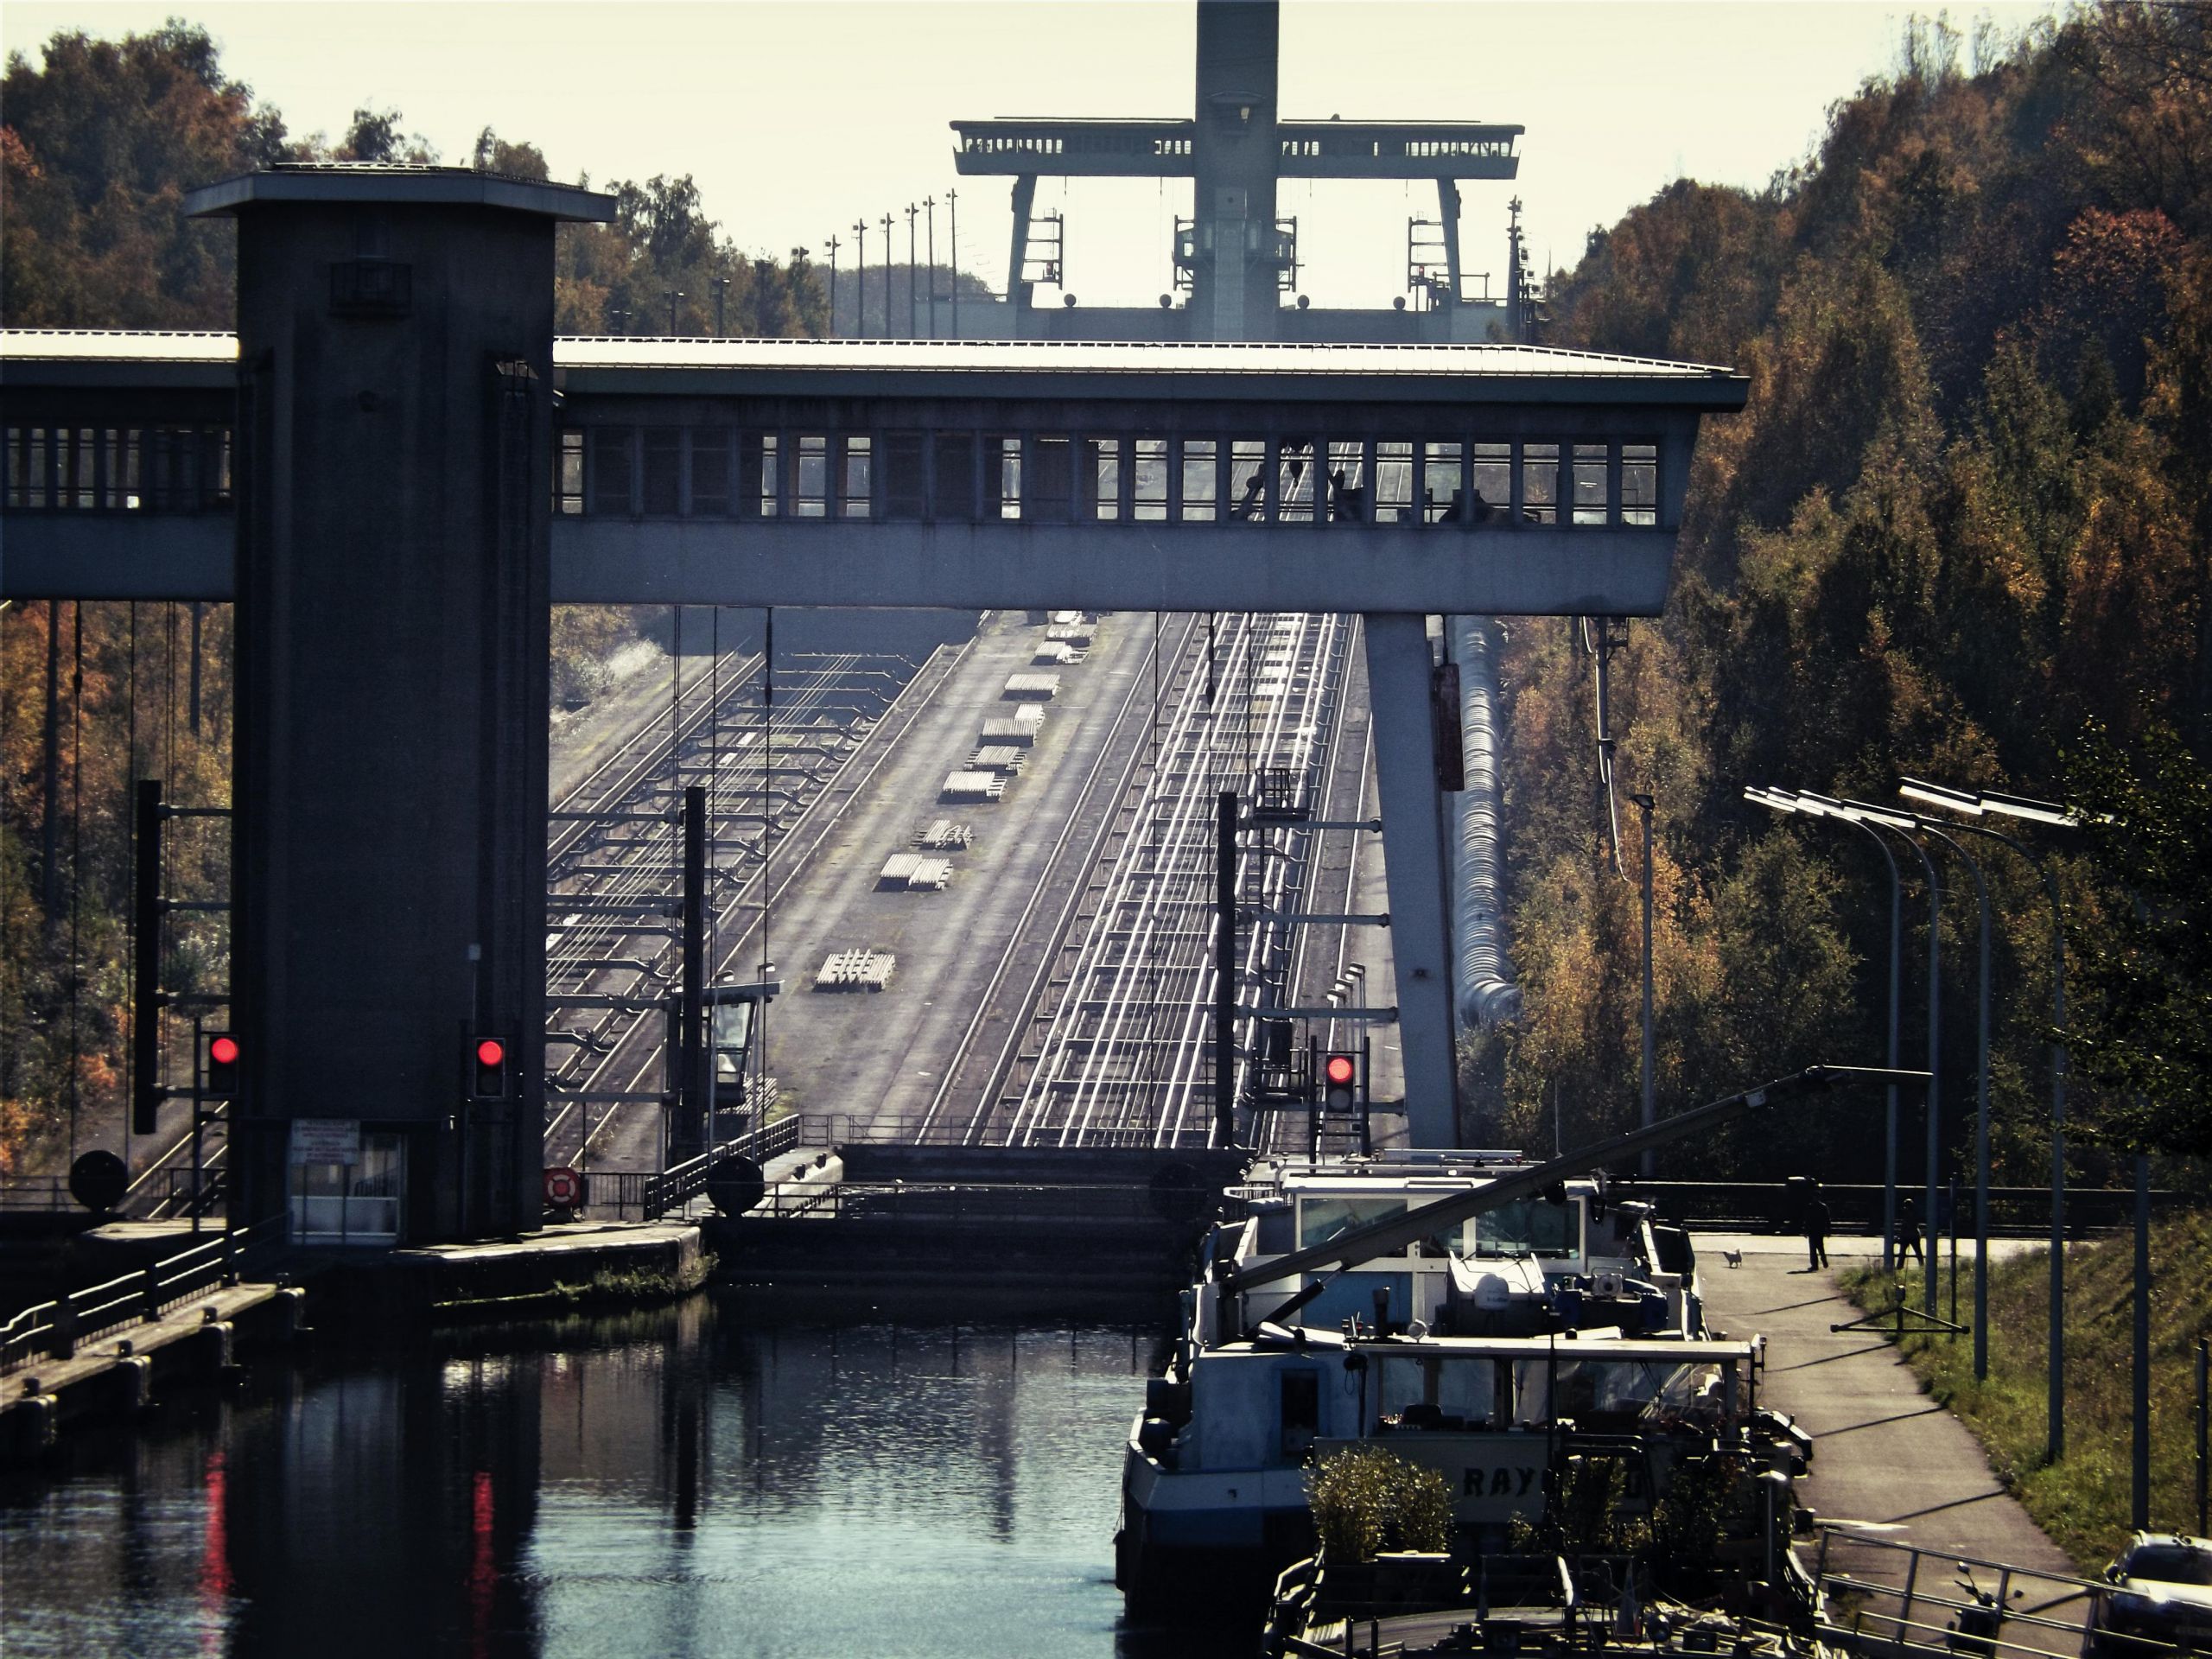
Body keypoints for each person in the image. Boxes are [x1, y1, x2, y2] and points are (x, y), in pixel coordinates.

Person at [1802, 1184, 1832, 1270]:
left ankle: (1816, 1264)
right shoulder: (1822, 1207)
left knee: (1815, 1248)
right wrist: (1828, 1230)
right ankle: (1821, 1261)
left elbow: (1827, 1219)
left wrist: (1805, 1230)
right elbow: (1827, 1220)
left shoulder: (1811, 1207)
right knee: (1818, 1247)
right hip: (1818, 1229)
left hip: (1815, 1229)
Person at [1894, 1195, 1924, 1267]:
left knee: (1905, 1253)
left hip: (1910, 1235)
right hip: (1912, 1235)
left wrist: (1900, 1235)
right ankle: (1921, 1265)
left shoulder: (1909, 1214)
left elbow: (1906, 1226)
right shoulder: (1913, 1213)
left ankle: (1900, 1266)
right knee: (1915, 1252)